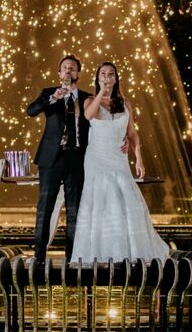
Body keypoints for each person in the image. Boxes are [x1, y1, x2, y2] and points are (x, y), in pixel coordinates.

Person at [69, 61, 170, 264]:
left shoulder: (125, 102)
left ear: (116, 78)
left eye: (111, 74)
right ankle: (101, 251)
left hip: (119, 158)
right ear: (98, 78)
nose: (107, 77)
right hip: (97, 158)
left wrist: (138, 159)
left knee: (127, 199)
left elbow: (132, 132)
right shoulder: (89, 100)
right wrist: (102, 93)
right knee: (102, 200)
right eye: (103, 74)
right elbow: (88, 116)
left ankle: (130, 251)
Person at [25, 54, 89, 263]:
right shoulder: (49, 93)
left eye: (72, 68)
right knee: (45, 207)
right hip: (51, 158)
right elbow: (31, 111)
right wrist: (54, 98)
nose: (68, 71)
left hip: (77, 158)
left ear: (78, 73)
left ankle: (73, 257)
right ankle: (39, 256)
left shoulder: (88, 98)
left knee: (75, 209)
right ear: (59, 73)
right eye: (65, 68)